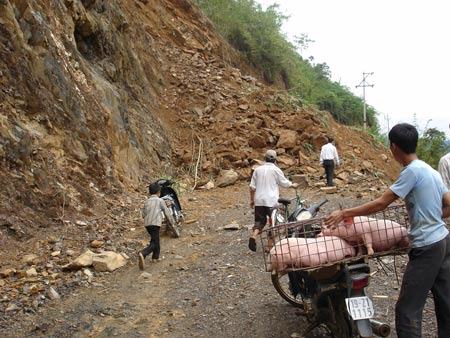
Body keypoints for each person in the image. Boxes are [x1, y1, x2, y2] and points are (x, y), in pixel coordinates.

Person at [324, 123, 450, 338]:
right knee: (445, 300)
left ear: (393, 146)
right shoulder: (429, 169)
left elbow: (382, 203)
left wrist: (345, 213)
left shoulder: (411, 171)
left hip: (426, 246)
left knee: (407, 310)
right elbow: (448, 203)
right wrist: (431, 216)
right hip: (443, 241)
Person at [248, 149, 298, 252]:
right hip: (272, 201)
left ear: (264, 158)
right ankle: (269, 246)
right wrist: (292, 184)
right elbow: (284, 182)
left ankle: (254, 235)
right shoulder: (276, 170)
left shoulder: (257, 170)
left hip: (259, 200)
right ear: (275, 160)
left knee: (260, 221)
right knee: (272, 223)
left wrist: (252, 200)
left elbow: (252, 187)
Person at [138, 182, 175, 270]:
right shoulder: (160, 201)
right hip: (155, 223)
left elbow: (143, 214)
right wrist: (171, 222)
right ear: (159, 192)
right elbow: (166, 212)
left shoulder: (146, 201)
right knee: (154, 242)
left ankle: (155, 257)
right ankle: (143, 253)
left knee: (155, 239)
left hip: (147, 224)